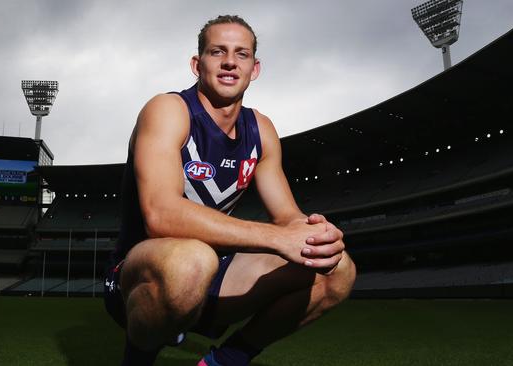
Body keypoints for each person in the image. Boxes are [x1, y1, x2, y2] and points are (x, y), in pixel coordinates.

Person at [104, 15, 356, 366]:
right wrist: (275, 238)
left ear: (254, 69)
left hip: (215, 274)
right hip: (142, 276)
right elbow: (161, 213)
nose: (229, 62)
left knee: (337, 268)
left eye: (241, 54)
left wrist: (315, 233)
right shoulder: (169, 110)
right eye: (217, 51)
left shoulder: (261, 129)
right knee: (191, 261)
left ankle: (223, 361)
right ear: (197, 64)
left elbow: (287, 216)